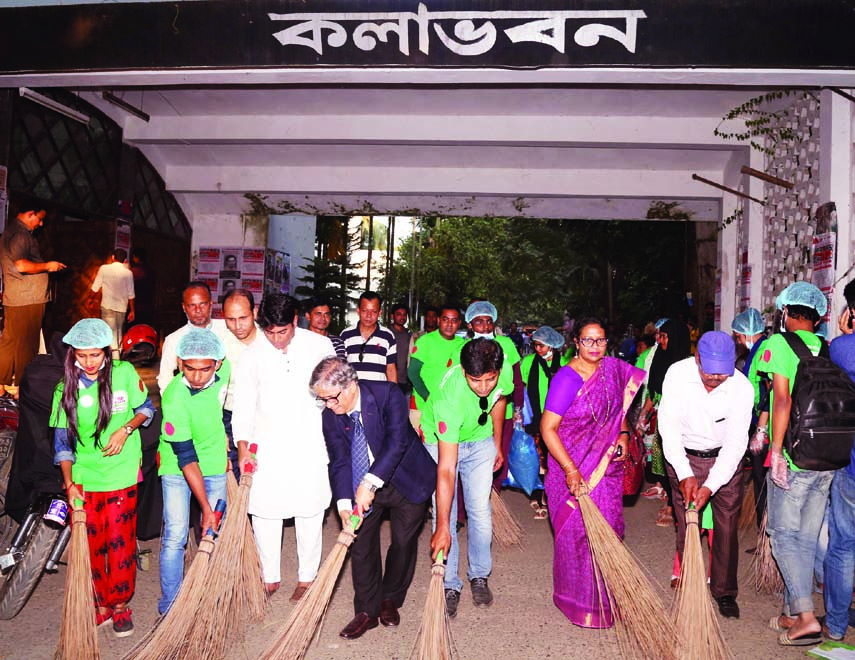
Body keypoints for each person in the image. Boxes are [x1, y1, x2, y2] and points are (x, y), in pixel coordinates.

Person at [311, 357, 436, 640]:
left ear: (351, 385)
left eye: (332, 398)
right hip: (361, 486)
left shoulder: (387, 394)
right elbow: (339, 461)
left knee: (403, 542)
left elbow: (397, 442)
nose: (329, 406)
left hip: (407, 479)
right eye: (324, 401)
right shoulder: (330, 415)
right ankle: (367, 611)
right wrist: (343, 504)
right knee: (361, 544)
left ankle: (390, 598)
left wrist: (370, 482)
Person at [539, 317, 644, 629]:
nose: (595, 347)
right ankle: (578, 601)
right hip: (571, 468)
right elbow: (548, 429)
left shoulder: (611, 370)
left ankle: (607, 598)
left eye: (600, 341)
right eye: (588, 340)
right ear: (576, 342)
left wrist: (623, 435)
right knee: (577, 537)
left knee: (609, 530)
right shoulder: (566, 379)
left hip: (606, 468)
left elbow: (619, 413)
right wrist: (571, 470)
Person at [52, 318, 154, 637]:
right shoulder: (63, 389)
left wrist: (125, 430)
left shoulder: (123, 374)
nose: (89, 362)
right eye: (82, 356)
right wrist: (69, 484)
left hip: (121, 473)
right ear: (73, 355)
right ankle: (100, 605)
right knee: (91, 546)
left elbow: (147, 410)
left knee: (119, 544)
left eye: (96, 355)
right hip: (85, 477)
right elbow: (62, 446)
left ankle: (121, 605)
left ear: (107, 353)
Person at [233, 294, 334, 600]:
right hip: (267, 443)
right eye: (269, 333)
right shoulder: (252, 355)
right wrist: (243, 447)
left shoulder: (319, 347)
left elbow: (335, 391)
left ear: (295, 321)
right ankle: (270, 575)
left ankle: (307, 577)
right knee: (265, 511)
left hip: (308, 441)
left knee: (310, 510)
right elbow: (244, 404)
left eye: (282, 332)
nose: (276, 340)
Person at [659, 331, 754, 619]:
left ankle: (724, 592)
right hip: (684, 455)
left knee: (726, 526)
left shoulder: (742, 387)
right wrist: (685, 473)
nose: (715, 380)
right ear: (697, 358)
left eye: (722, 375)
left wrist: (711, 485)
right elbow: (669, 429)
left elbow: (737, 442)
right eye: (709, 373)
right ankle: (690, 584)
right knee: (688, 523)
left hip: (725, 459)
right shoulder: (677, 374)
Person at [759, 281, 829, 646]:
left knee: (784, 536)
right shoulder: (826, 347)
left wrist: (775, 452)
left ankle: (805, 617)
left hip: (794, 456)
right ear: (818, 317)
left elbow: (781, 401)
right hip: (825, 458)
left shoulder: (777, 344)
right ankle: (790, 610)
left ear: (786, 312)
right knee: (804, 536)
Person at [427, 339, 509, 618]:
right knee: (446, 516)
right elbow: (447, 470)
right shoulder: (449, 398)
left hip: (481, 437)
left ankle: (479, 575)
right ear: (464, 371)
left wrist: (497, 442)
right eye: (476, 380)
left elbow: (499, 399)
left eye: (490, 379)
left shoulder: (501, 370)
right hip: (441, 440)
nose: (484, 386)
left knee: (480, 512)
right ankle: (449, 584)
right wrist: (440, 529)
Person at [157, 327, 230, 615]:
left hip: (213, 462)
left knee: (215, 534)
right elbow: (186, 459)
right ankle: (171, 606)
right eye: (189, 368)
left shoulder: (225, 370)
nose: (197, 376)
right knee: (176, 534)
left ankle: (210, 598)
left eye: (205, 369)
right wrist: (205, 508)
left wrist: (225, 432)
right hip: (178, 466)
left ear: (218, 365)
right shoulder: (174, 397)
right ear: (179, 362)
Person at [0, 203, 66, 397]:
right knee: (26, 345)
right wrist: (48, 265)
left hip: (18, 297)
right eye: (40, 218)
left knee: (10, 341)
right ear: (30, 214)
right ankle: (22, 389)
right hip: (27, 298)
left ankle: (2, 386)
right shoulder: (20, 234)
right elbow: (21, 265)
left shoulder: (12, 232)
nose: (41, 223)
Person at [463, 301, 524, 492]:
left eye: (489, 321)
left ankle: (494, 498)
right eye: (479, 322)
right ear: (470, 325)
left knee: (499, 456)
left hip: (503, 411)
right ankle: (466, 510)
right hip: (473, 414)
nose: (485, 326)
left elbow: (517, 379)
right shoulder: (464, 347)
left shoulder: (505, 344)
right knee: (471, 459)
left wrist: (518, 409)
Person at [823, 280, 855, 641]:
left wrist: (846, 331)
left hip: (852, 463)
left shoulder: (843, 348)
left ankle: (835, 625)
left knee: (844, 543)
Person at [640, 318, 692, 527]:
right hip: (663, 421)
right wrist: (644, 413)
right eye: (660, 336)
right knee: (663, 463)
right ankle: (671, 501)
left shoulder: (688, 365)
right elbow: (655, 391)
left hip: (683, 423)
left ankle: (676, 505)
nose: (660, 341)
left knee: (680, 463)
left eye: (664, 336)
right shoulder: (660, 358)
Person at [520, 326, 565, 518]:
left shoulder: (563, 363)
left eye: (542, 345)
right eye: (536, 345)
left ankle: (551, 495)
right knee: (536, 458)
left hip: (557, 419)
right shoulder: (528, 362)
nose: (538, 349)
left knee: (553, 458)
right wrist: (519, 412)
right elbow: (519, 387)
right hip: (534, 418)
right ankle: (536, 496)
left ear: (552, 346)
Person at [733, 307, 771, 524]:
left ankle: (764, 533)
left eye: (738, 336)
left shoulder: (764, 349)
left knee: (762, 480)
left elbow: (767, 390)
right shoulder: (755, 351)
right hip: (758, 422)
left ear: (748, 331)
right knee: (758, 478)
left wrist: (760, 430)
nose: (738, 341)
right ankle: (761, 534)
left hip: (763, 426)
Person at [157, 281, 227, 394]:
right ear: (184, 307)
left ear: (210, 304)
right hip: (190, 401)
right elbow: (165, 378)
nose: (198, 310)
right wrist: (173, 405)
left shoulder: (226, 330)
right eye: (192, 305)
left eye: (202, 304)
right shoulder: (174, 340)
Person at [408, 304, 464, 434]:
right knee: (419, 449)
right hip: (423, 405)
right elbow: (412, 372)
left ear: (459, 323)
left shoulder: (463, 344)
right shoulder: (425, 341)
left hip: (450, 408)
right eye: (445, 319)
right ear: (439, 321)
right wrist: (427, 396)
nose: (449, 324)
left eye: (454, 320)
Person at [220, 288, 258, 479]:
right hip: (228, 418)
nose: (237, 326)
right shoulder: (220, 345)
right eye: (231, 320)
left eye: (243, 318)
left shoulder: (270, 342)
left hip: (262, 418)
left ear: (255, 312)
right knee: (235, 476)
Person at [341, 291, 397, 382]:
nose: (368, 316)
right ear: (358, 311)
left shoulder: (388, 336)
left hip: (379, 393)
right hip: (353, 393)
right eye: (364, 310)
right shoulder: (346, 335)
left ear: (379, 313)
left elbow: (390, 369)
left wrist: (394, 394)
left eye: (373, 312)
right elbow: (340, 367)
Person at [90, 248, 135, 359]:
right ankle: (117, 355)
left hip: (107, 306)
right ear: (125, 260)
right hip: (122, 308)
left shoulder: (104, 269)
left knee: (110, 333)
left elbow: (95, 287)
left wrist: (90, 300)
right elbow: (131, 294)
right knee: (118, 333)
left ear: (113, 257)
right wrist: (133, 310)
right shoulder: (128, 273)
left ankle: (114, 359)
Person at [389, 303, 412, 396]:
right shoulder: (387, 333)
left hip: (404, 380)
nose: (402, 317)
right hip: (389, 379)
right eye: (399, 314)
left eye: (404, 315)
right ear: (392, 316)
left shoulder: (409, 335)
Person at [130, 247, 156, 327]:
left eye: (134, 256)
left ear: (136, 258)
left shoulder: (132, 272)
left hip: (135, 307)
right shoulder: (151, 271)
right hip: (148, 306)